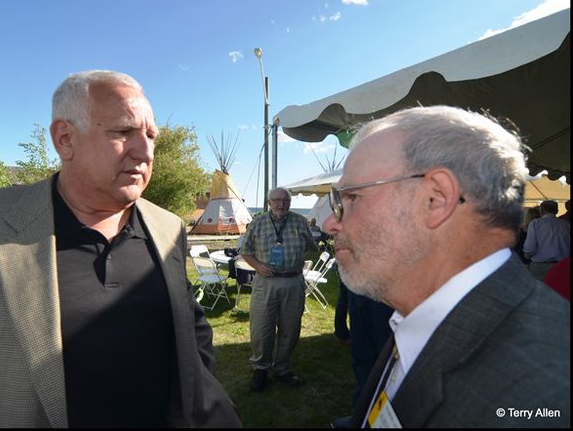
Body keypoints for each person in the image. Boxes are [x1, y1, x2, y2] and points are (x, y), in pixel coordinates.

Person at [0, 70, 241, 428]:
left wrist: (208, 405)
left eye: (151, 135)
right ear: (65, 138)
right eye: (123, 132)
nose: (145, 150)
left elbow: (191, 326)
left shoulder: (168, 227)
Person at [323, 105, 569, 427]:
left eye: (350, 198)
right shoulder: (421, 313)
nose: (330, 222)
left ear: (436, 199)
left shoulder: (539, 395)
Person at [240, 187, 317, 392]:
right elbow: (245, 251)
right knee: (261, 328)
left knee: (290, 329)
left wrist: (292, 262)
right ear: (269, 202)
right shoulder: (258, 222)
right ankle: (261, 368)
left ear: (290, 202)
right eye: (276, 200)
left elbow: (311, 245)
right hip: (266, 283)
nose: (280, 204)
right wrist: (258, 266)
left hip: (293, 282)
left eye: (284, 200)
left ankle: (282, 368)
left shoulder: (300, 222)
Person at [523, 200, 570, 280]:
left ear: (541, 210)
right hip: (562, 266)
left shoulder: (535, 224)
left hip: (540, 267)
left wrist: (527, 256)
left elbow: (530, 248)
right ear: (557, 211)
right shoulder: (566, 224)